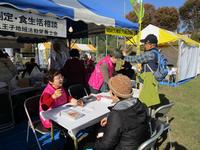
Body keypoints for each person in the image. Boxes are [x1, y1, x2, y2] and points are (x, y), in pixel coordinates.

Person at [82, 74, 150, 150]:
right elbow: (129, 121)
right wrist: (109, 119)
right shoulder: (139, 103)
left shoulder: (117, 115)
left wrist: (97, 141)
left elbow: (105, 146)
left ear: (113, 93)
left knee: (86, 145)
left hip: (124, 147)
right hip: (137, 142)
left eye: (110, 90)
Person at [124, 34, 160, 107]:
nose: (144, 45)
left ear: (150, 44)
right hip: (154, 78)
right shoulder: (157, 52)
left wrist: (123, 57)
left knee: (144, 101)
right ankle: (150, 113)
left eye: (145, 43)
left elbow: (136, 59)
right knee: (151, 97)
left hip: (149, 79)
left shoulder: (150, 54)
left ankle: (145, 115)